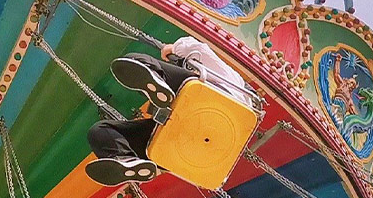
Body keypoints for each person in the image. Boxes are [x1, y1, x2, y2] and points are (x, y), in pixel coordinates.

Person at [85, 36, 250, 186]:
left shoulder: (234, 81)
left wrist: (173, 47)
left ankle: (158, 82)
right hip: (198, 141)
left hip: (207, 102)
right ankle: (129, 160)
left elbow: (200, 49)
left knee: (133, 60)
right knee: (98, 131)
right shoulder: (242, 101)